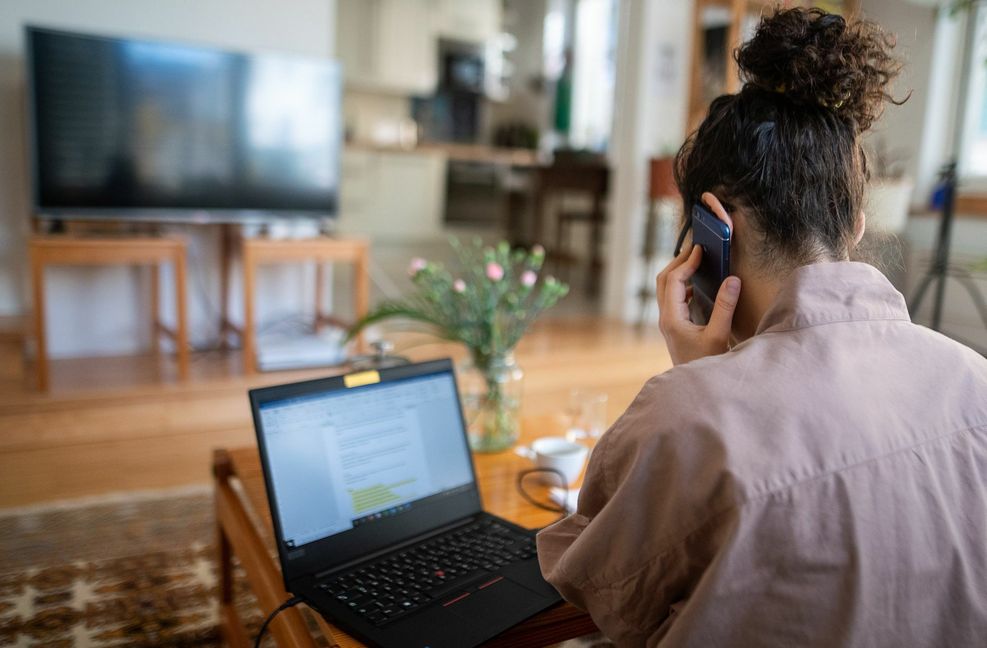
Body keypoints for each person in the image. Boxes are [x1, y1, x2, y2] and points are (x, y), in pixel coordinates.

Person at [537, 7, 987, 647]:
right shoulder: (975, 379)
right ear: (855, 223)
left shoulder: (684, 418)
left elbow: (590, 581)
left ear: (715, 225)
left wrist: (702, 383)